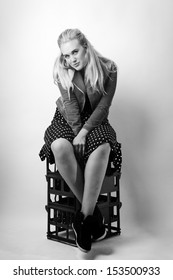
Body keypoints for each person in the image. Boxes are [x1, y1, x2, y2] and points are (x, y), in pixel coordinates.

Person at [39, 28, 122, 253]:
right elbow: (71, 108)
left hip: (95, 121)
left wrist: (84, 133)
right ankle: (93, 218)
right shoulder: (62, 70)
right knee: (58, 145)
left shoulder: (109, 68)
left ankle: (82, 221)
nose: (71, 59)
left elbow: (104, 106)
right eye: (66, 55)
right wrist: (77, 134)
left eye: (74, 52)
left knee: (103, 144)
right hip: (67, 118)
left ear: (85, 46)